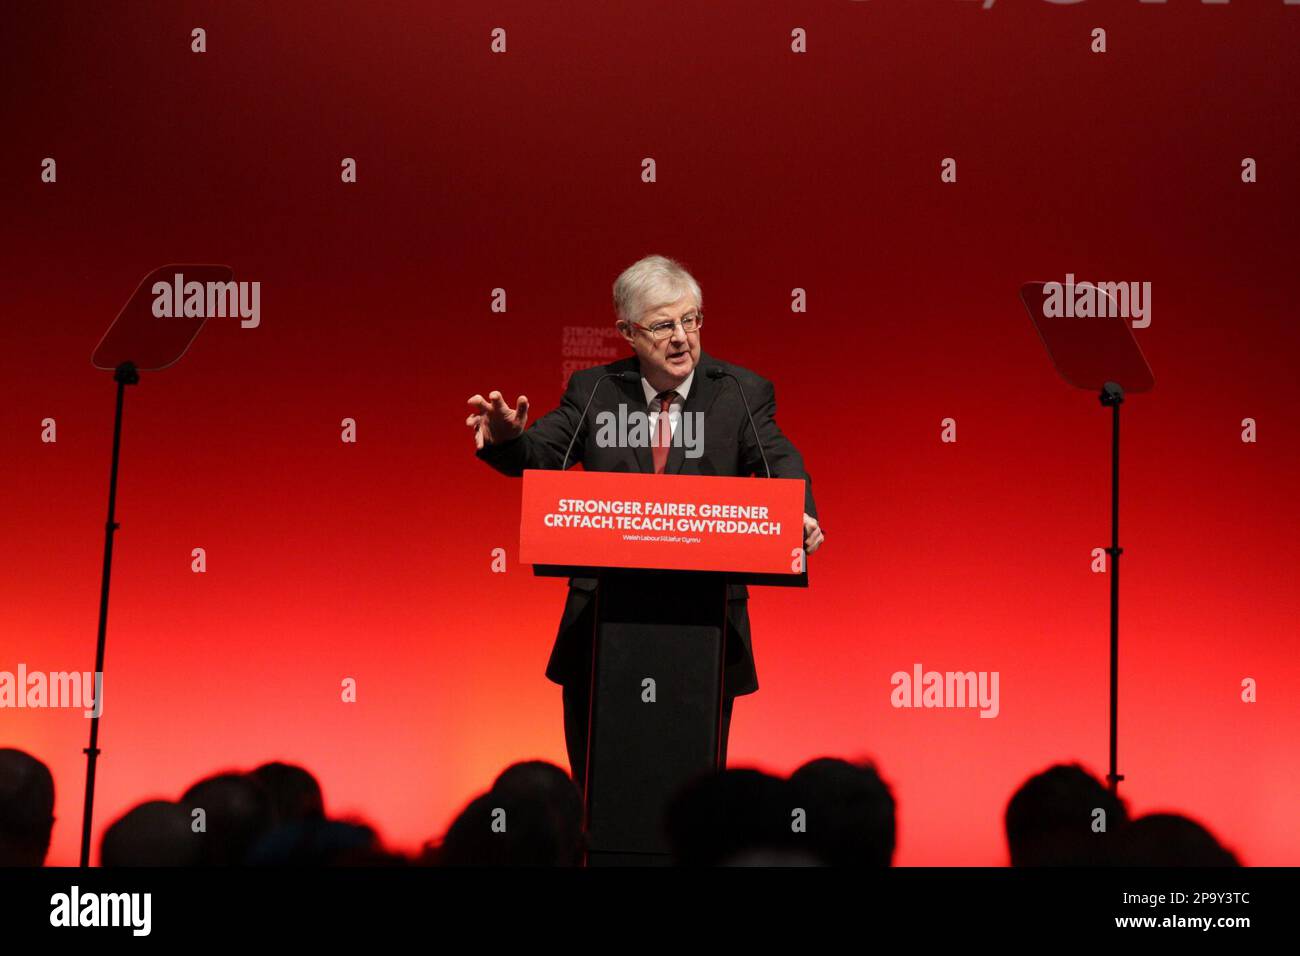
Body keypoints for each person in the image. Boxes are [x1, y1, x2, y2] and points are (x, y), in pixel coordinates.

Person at [466, 254, 823, 788]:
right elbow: (541, 455)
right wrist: (508, 438)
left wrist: (800, 515)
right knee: (603, 789)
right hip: (604, 627)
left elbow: (780, 462)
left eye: (691, 319)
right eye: (662, 325)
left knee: (693, 800)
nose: (681, 338)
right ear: (627, 333)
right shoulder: (595, 392)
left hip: (704, 626)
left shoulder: (738, 393)